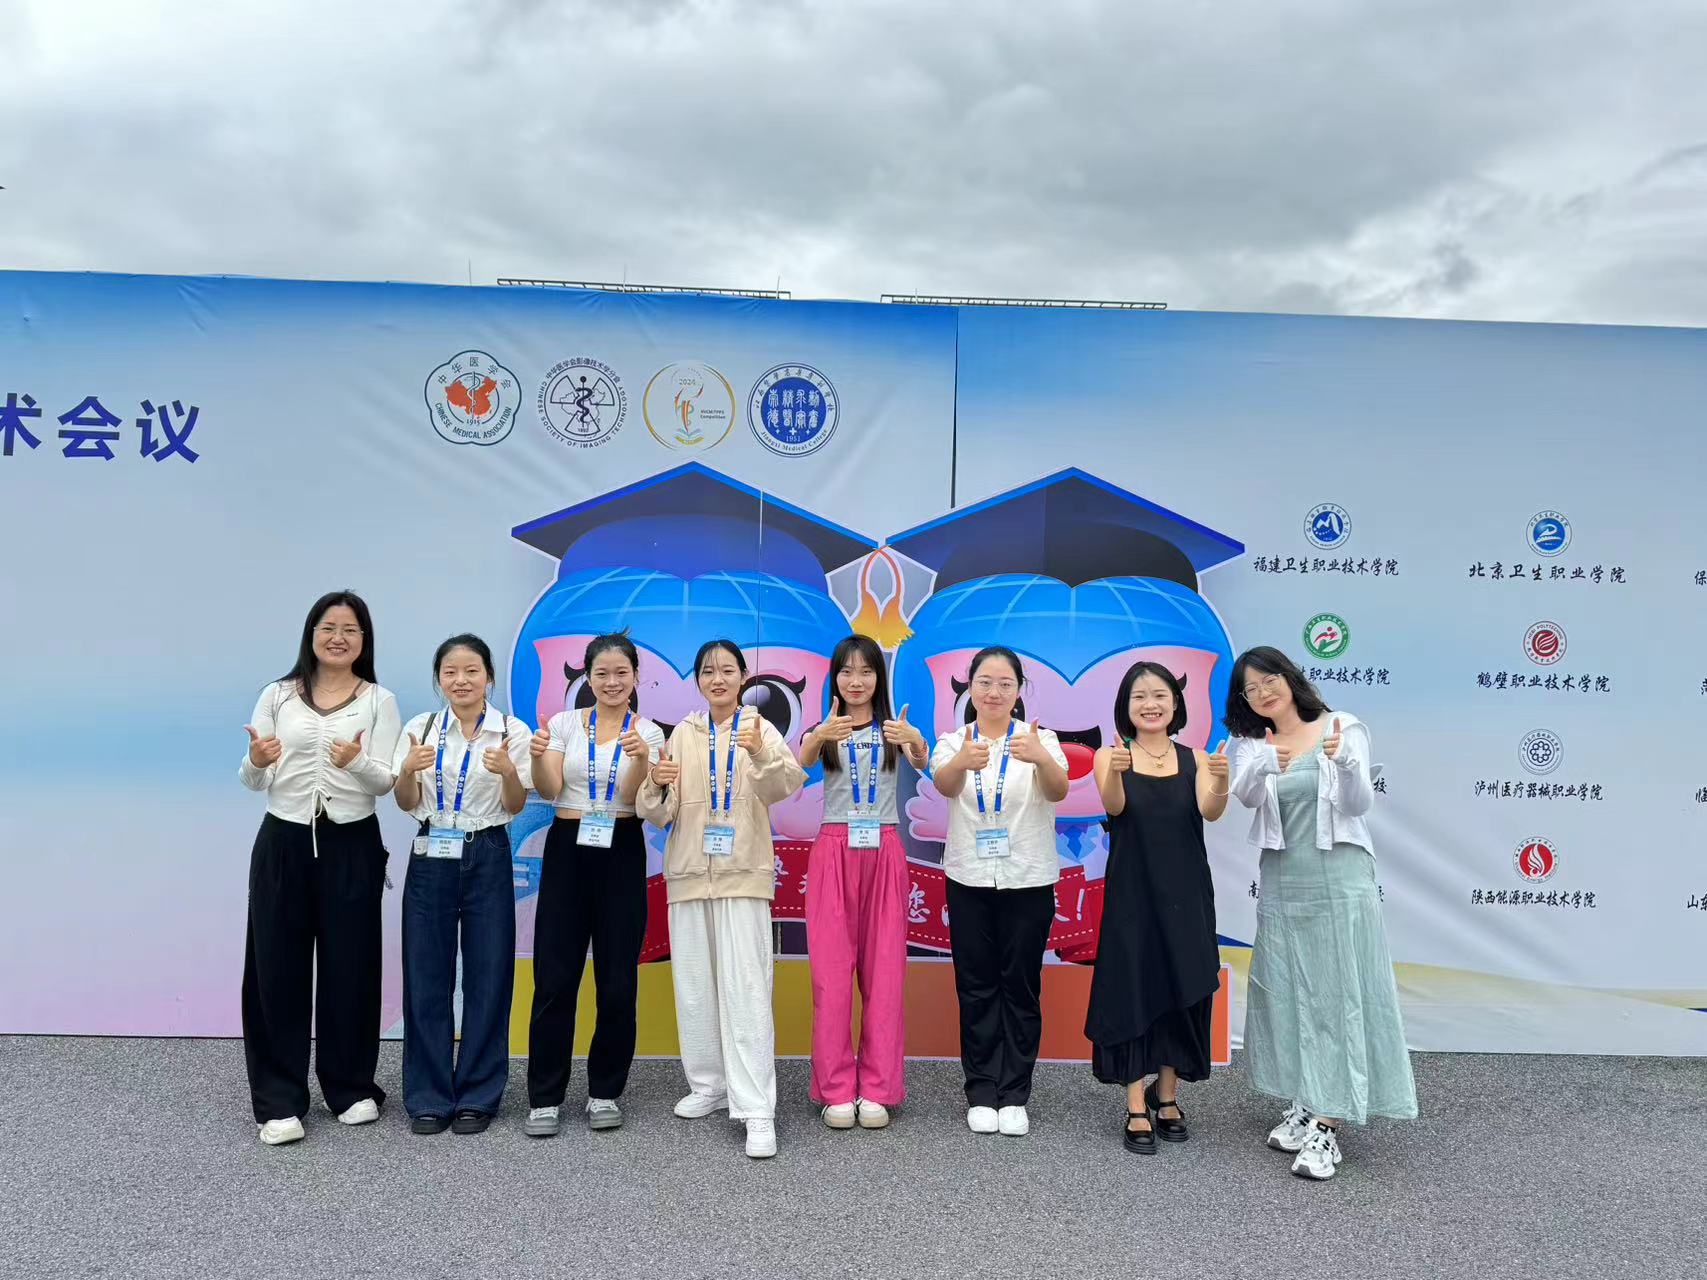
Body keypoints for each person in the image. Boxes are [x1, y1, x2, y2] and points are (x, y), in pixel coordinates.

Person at [1224, 646, 1417, 1181]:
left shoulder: (1341, 726)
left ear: (1290, 678)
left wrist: (1348, 765)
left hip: (1338, 878)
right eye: (1250, 689)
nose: (1263, 693)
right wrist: (1265, 763)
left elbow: (1358, 804)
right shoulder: (1251, 742)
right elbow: (1244, 796)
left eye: (1269, 680)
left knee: (1337, 994)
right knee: (1287, 992)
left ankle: (1328, 1123)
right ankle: (1306, 1100)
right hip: (1283, 880)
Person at [238, 590, 401, 1146]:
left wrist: (357, 762)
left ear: (364, 641)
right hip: (283, 841)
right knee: (275, 969)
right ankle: (279, 1100)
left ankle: (349, 1087)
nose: (338, 638)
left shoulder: (379, 700)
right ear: (311, 634)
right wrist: (256, 760)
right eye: (328, 627)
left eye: (350, 630)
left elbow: (387, 781)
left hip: (351, 843)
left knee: (350, 967)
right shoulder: (278, 694)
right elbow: (253, 778)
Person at [636, 639, 806, 1159]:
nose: (718, 679)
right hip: (689, 873)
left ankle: (756, 1109)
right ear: (698, 680)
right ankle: (709, 1085)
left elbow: (784, 787)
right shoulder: (681, 734)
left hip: (743, 875)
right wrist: (656, 783)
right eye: (708, 671)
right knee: (694, 987)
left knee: (746, 988)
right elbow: (657, 812)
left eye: (727, 670)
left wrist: (758, 753)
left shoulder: (760, 728)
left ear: (743, 678)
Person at [523, 633, 666, 1137]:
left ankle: (605, 1092)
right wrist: (538, 755)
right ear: (587, 677)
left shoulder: (648, 732)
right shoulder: (564, 724)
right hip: (568, 844)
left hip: (621, 848)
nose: (611, 682)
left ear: (635, 677)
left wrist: (642, 760)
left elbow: (631, 794)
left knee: (617, 978)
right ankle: (545, 1098)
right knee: (555, 975)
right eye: (601, 673)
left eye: (621, 673)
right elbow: (550, 788)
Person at [1085, 661, 1228, 1155]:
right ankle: (1135, 1104)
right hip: (1133, 896)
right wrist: (1115, 773)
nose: (1151, 704)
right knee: (1133, 991)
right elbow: (1115, 807)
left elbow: (1210, 811)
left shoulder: (1198, 759)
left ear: (1176, 703)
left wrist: (1221, 780)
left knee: (1182, 989)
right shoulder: (1110, 755)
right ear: (1125, 707)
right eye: (1140, 696)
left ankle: (1167, 1096)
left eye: (1160, 694)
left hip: (1188, 895)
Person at [391, 634, 531, 1136]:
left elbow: (515, 805)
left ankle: (478, 1094)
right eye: (450, 672)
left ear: (488, 677)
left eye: (471, 670)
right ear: (439, 679)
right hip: (431, 850)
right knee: (426, 974)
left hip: (487, 849)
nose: (461, 680)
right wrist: (407, 771)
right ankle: (428, 1097)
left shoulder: (511, 731)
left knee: (489, 974)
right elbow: (406, 801)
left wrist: (509, 771)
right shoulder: (421, 729)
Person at [928, 646, 1068, 1137]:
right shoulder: (953, 741)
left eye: (1005, 683)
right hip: (969, 878)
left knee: (1020, 984)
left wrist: (1041, 759)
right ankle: (982, 1090)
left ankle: (1015, 1093)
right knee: (976, 985)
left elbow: (1058, 791)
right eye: (984, 682)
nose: (994, 692)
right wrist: (961, 762)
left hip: (1028, 877)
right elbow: (944, 785)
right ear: (970, 688)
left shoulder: (1040, 738)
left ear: (1019, 690)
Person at [797, 634, 929, 1131]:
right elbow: (800, 763)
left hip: (884, 849)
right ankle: (835, 1088)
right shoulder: (826, 728)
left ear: (879, 677)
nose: (856, 681)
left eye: (866, 671)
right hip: (833, 849)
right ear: (835, 678)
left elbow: (921, 760)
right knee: (831, 976)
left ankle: (877, 1087)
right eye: (847, 671)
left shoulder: (894, 728)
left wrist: (915, 741)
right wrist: (818, 735)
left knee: (885, 974)